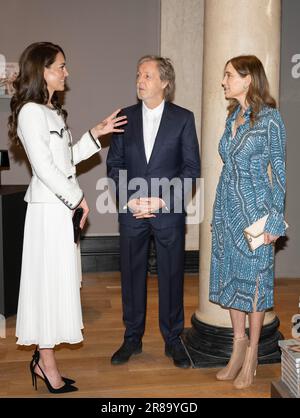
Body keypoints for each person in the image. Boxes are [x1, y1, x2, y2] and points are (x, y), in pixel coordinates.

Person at [8, 42, 127, 393]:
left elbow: (64, 160)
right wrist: (78, 199)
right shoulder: (31, 112)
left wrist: (96, 134)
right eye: (61, 66)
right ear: (43, 70)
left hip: (59, 212)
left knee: (56, 285)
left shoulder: (51, 111)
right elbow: (44, 169)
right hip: (48, 211)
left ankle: (46, 362)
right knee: (46, 286)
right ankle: (46, 364)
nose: (66, 72)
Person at [107, 55, 200, 368]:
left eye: (147, 75)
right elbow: (114, 165)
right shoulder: (124, 117)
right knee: (131, 276)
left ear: (164, 82)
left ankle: (173, 340)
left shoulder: (183, 118)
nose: (140, 81)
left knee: (172, 276)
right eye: (138, 75)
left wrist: (161, 200)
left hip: (167, 211)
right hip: (132, 211)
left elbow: (191, 168)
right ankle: (132, 338)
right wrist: (131, 198)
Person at [209, 55, 286, 389]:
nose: (224, 81)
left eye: (228, 75)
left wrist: (275, 223)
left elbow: (279, 173)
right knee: (231, 279)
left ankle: (252, 354)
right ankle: (237, 347)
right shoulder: (233, 117)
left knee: (254, 284)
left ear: (248, 79)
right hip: (227, 210)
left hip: (256, 214)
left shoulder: (271, 120)